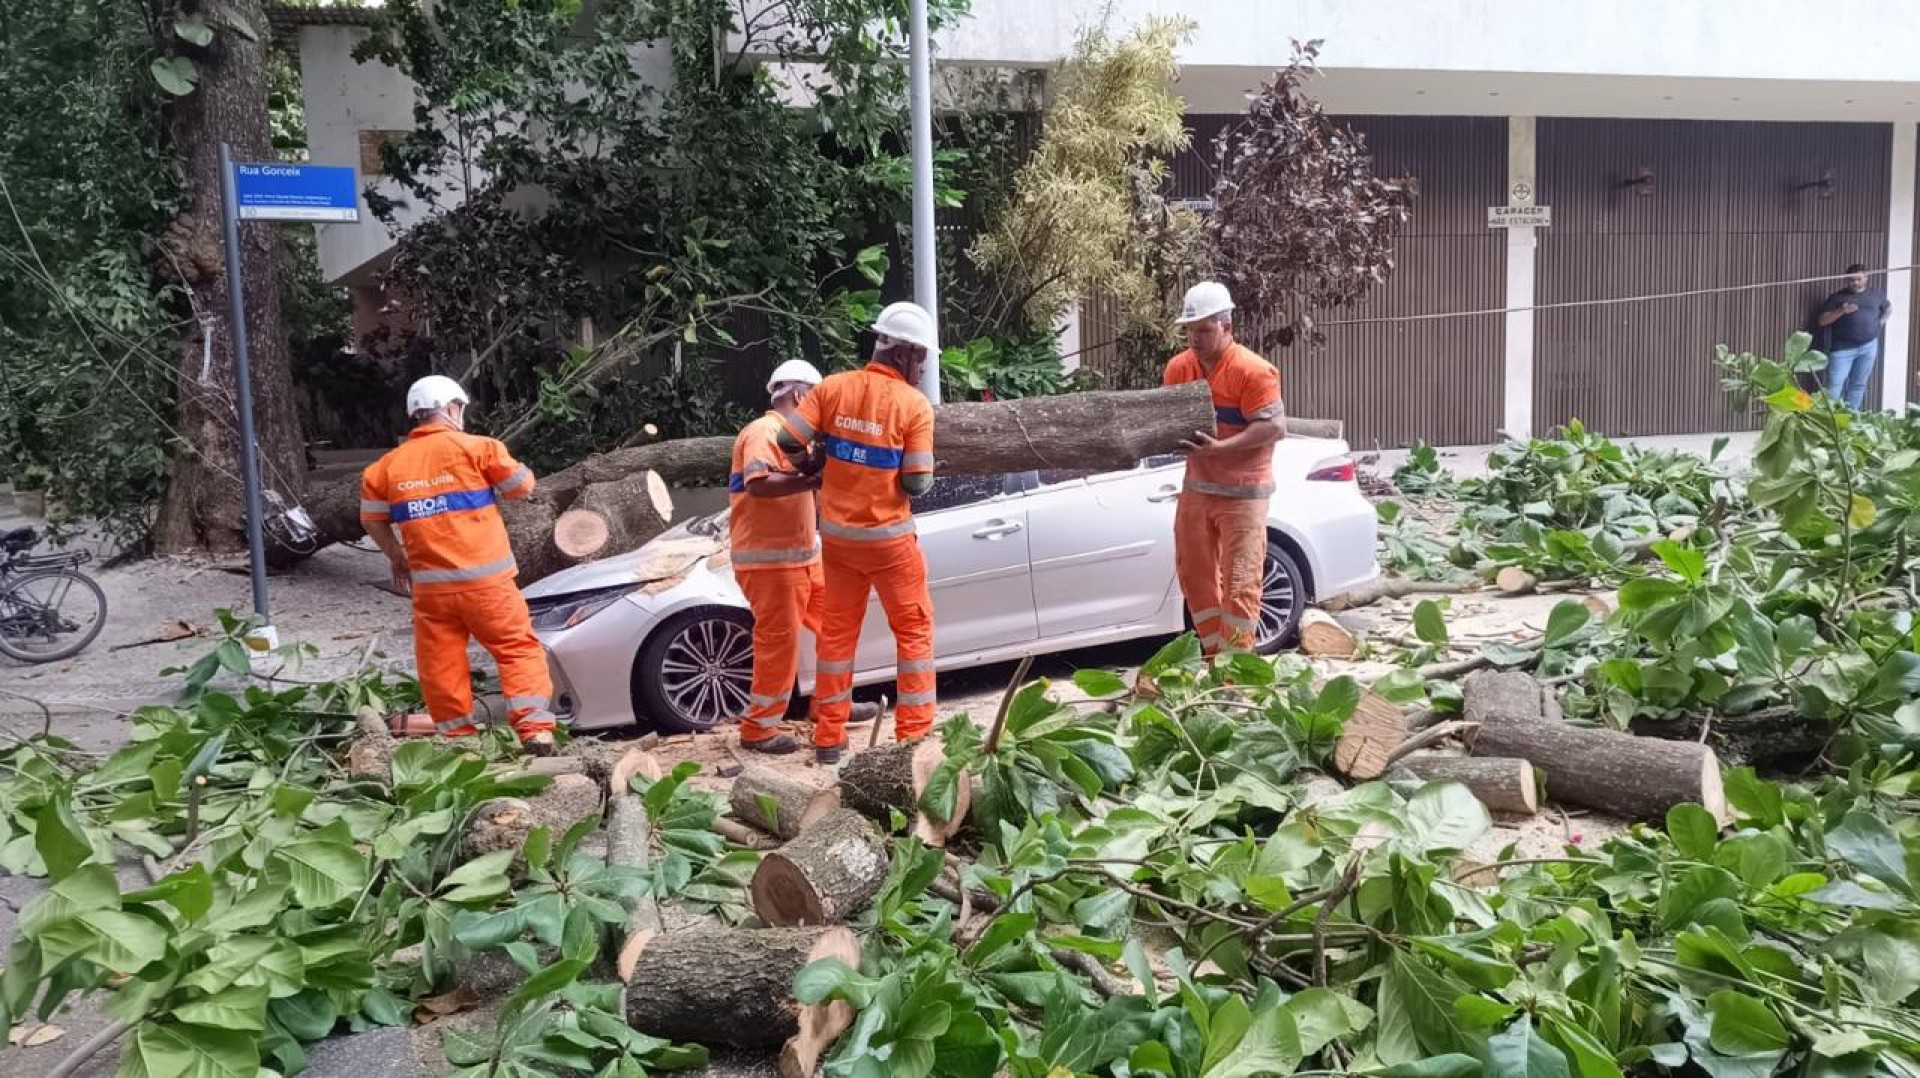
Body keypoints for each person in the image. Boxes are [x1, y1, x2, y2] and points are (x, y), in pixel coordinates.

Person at [360, 375, 557, 754]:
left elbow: (371, 520)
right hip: (489, 586)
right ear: (451, 408)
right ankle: (534, 730)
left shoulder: (385, 468)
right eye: (460, 409)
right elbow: (522, 487)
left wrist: (398, 557)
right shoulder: (480, 448)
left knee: (441, 663)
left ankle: (457, 741)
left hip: (431, 591)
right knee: (517, 649)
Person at [777, 302, 938, 764]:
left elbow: (789, 440)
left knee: (837, 637)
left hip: (840, 541)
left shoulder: (832, 389)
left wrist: (814, 466)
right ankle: (913, 736)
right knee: (913, 634)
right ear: (905, 354)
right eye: (921, 357)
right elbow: (917, 483)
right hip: (889, 542)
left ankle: (829, 737)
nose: (923, 366)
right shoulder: (913, 406)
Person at [730, 359, 878, 755]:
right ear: (799, 395)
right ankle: (759, 729)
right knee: (778, 644)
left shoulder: (796, 439)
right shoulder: (765, 431)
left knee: (837, 627)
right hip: (770, 562)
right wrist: (811, 478)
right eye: (817, 399)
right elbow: (758, 484)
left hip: (800, 558)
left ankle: (833, 706)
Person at [1162, 281, 1286, 656]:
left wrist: (1220, 449)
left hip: (1243, 495)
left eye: (1203, 329)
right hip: (1199, 489)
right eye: (1189, 329)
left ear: (1226, 328)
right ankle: (1216, 660)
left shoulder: (1253, 371)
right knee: (1195, 577)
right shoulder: (1179, 368)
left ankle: (1238, 672)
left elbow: (1274, 427)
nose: (1194, 338)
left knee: (1239, 585)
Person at [1817, 263, 1891, 410]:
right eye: (1851, 280)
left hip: (1868, 347)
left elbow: (1887, 308)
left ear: (1866, 277)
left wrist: (1879, 325)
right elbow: (1822, 321)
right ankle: (1829, 418)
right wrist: (1842, 311)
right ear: (1846, 280)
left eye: (1858, 279)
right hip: (1842, 350)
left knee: (1858, 384)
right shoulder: (1837, 297)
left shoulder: (1876, 294)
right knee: (1834, 385)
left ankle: (1851, 418)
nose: (1855, 283)